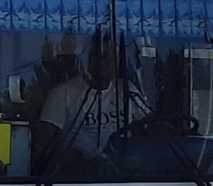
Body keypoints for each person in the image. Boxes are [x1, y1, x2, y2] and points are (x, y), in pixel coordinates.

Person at [35, 30, 146, 169]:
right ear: (87, 59)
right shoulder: (62, 93)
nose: (104, 63)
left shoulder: (127, 89)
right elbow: (45, 144)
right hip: (79, 174)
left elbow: (149, 124)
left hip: (125, 172)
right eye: (98, 57)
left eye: (110, 57)